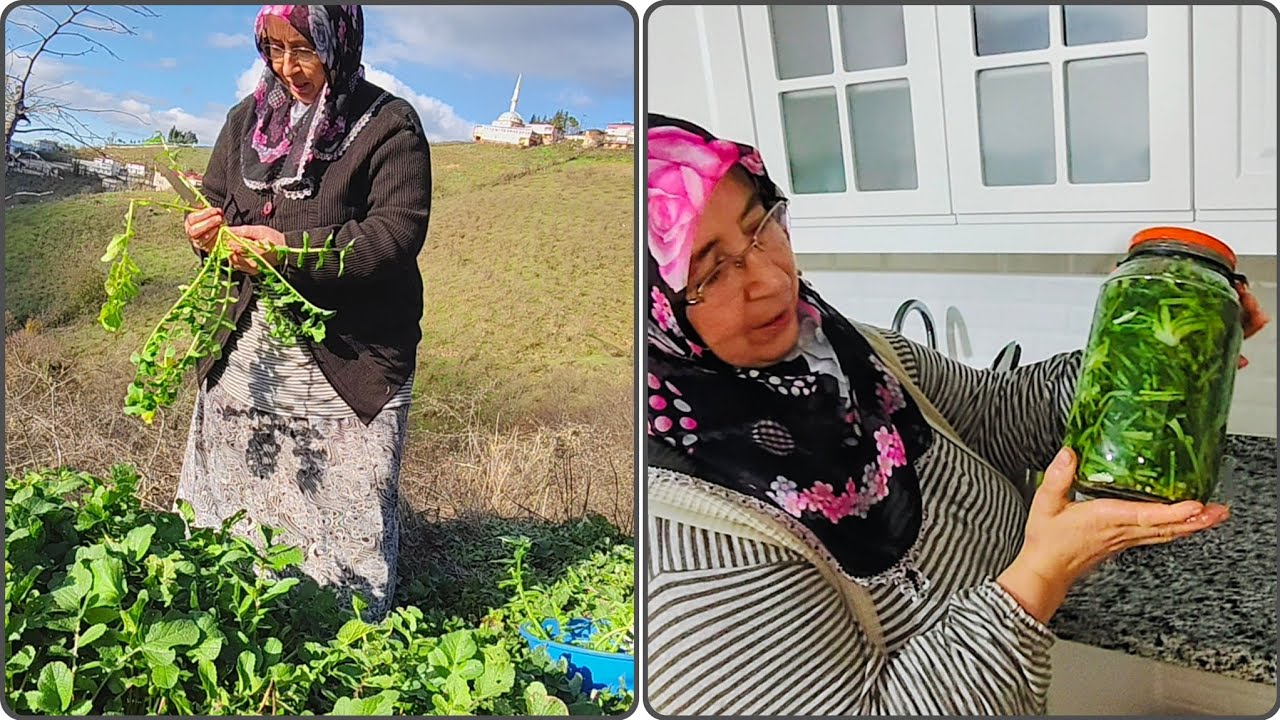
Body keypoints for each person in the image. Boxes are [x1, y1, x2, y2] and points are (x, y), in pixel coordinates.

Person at [643, 114, 1269, 715]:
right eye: (711, 270)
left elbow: (998, 412)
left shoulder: (841, 350)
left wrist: (1149, 363)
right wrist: (1042, 574)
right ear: (653, 316)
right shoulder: (686, 549)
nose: (773, 280)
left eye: (762, 227)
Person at [177, 4, 431, 620]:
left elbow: (395, 235)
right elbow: (215, 200)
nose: (287, 66)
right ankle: (232, 618)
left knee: (338, 514)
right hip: (247, 349)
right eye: (272, 48)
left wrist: (289, 251)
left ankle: (341, 638)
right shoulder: (247, 121)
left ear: (338, 41)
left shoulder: (389, 124)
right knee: (237, 503)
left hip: (347, 352)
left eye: (304, 49)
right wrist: (204, 233)